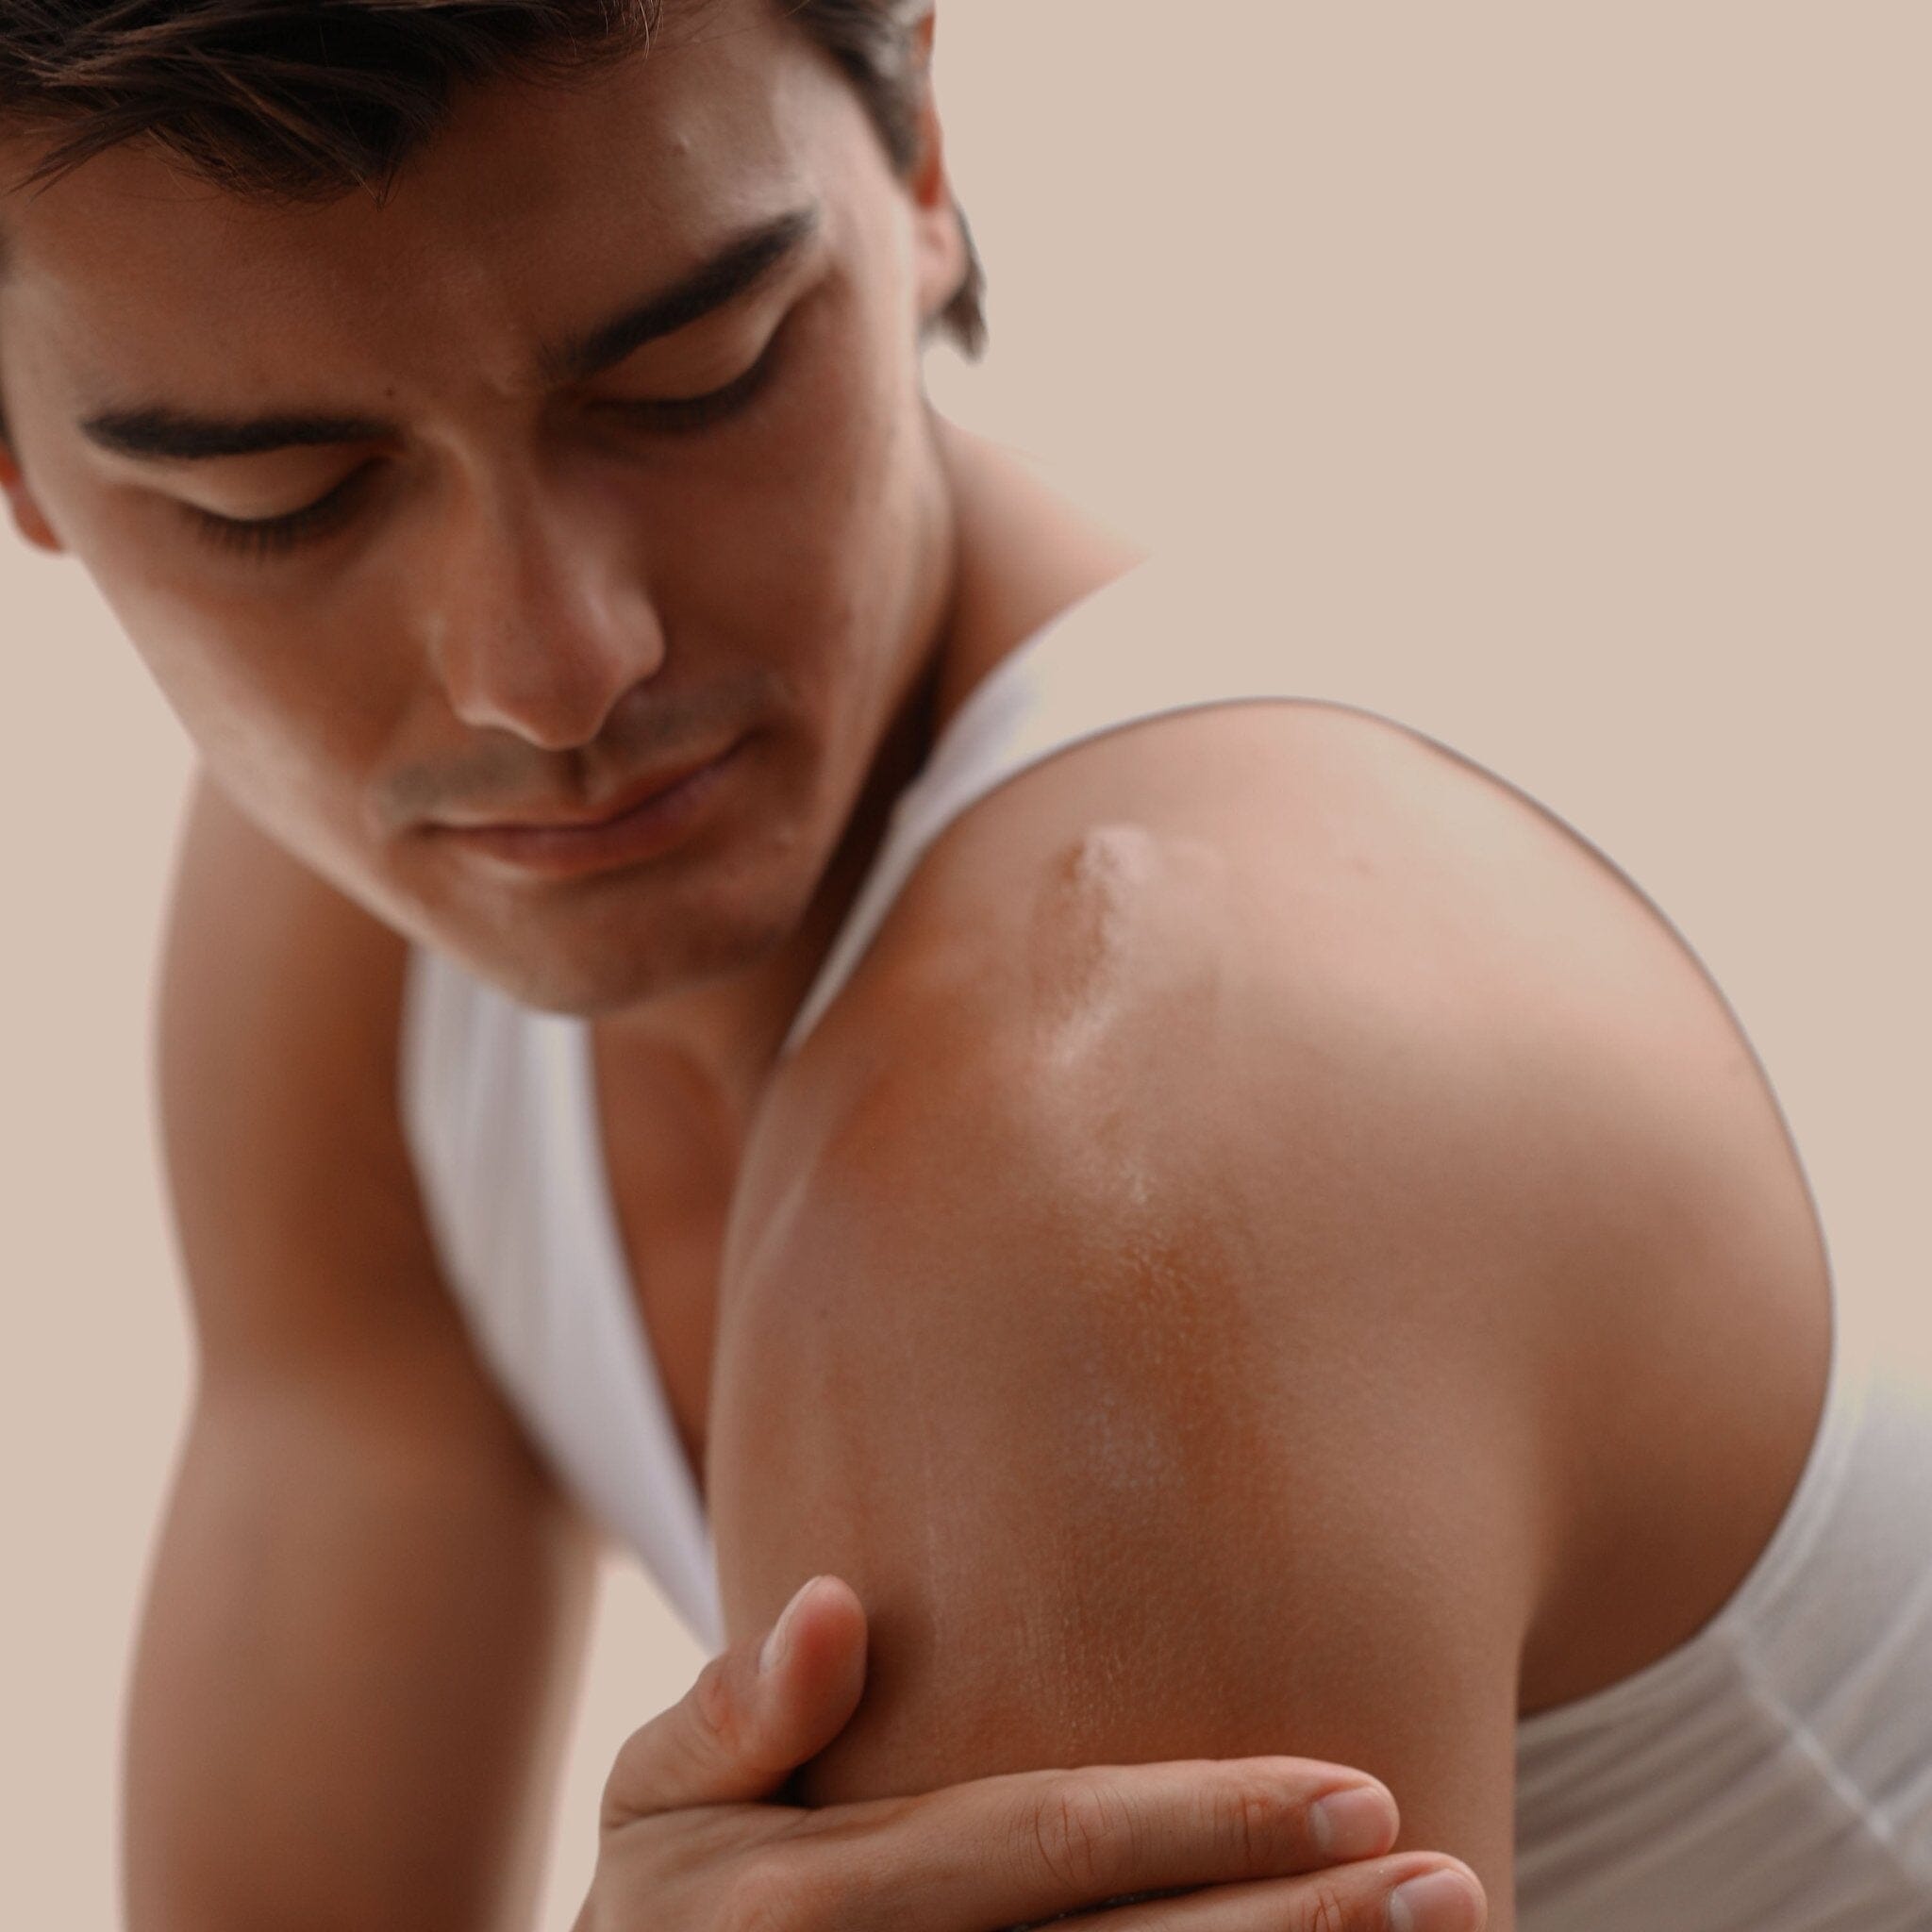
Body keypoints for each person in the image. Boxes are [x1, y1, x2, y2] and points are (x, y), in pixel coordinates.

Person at [0, 4, 1925, 1930]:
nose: (548, 667)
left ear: (919, 150)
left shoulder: (1110, 1147)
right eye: (280, 502)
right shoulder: (356, 905)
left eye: (697, 372)